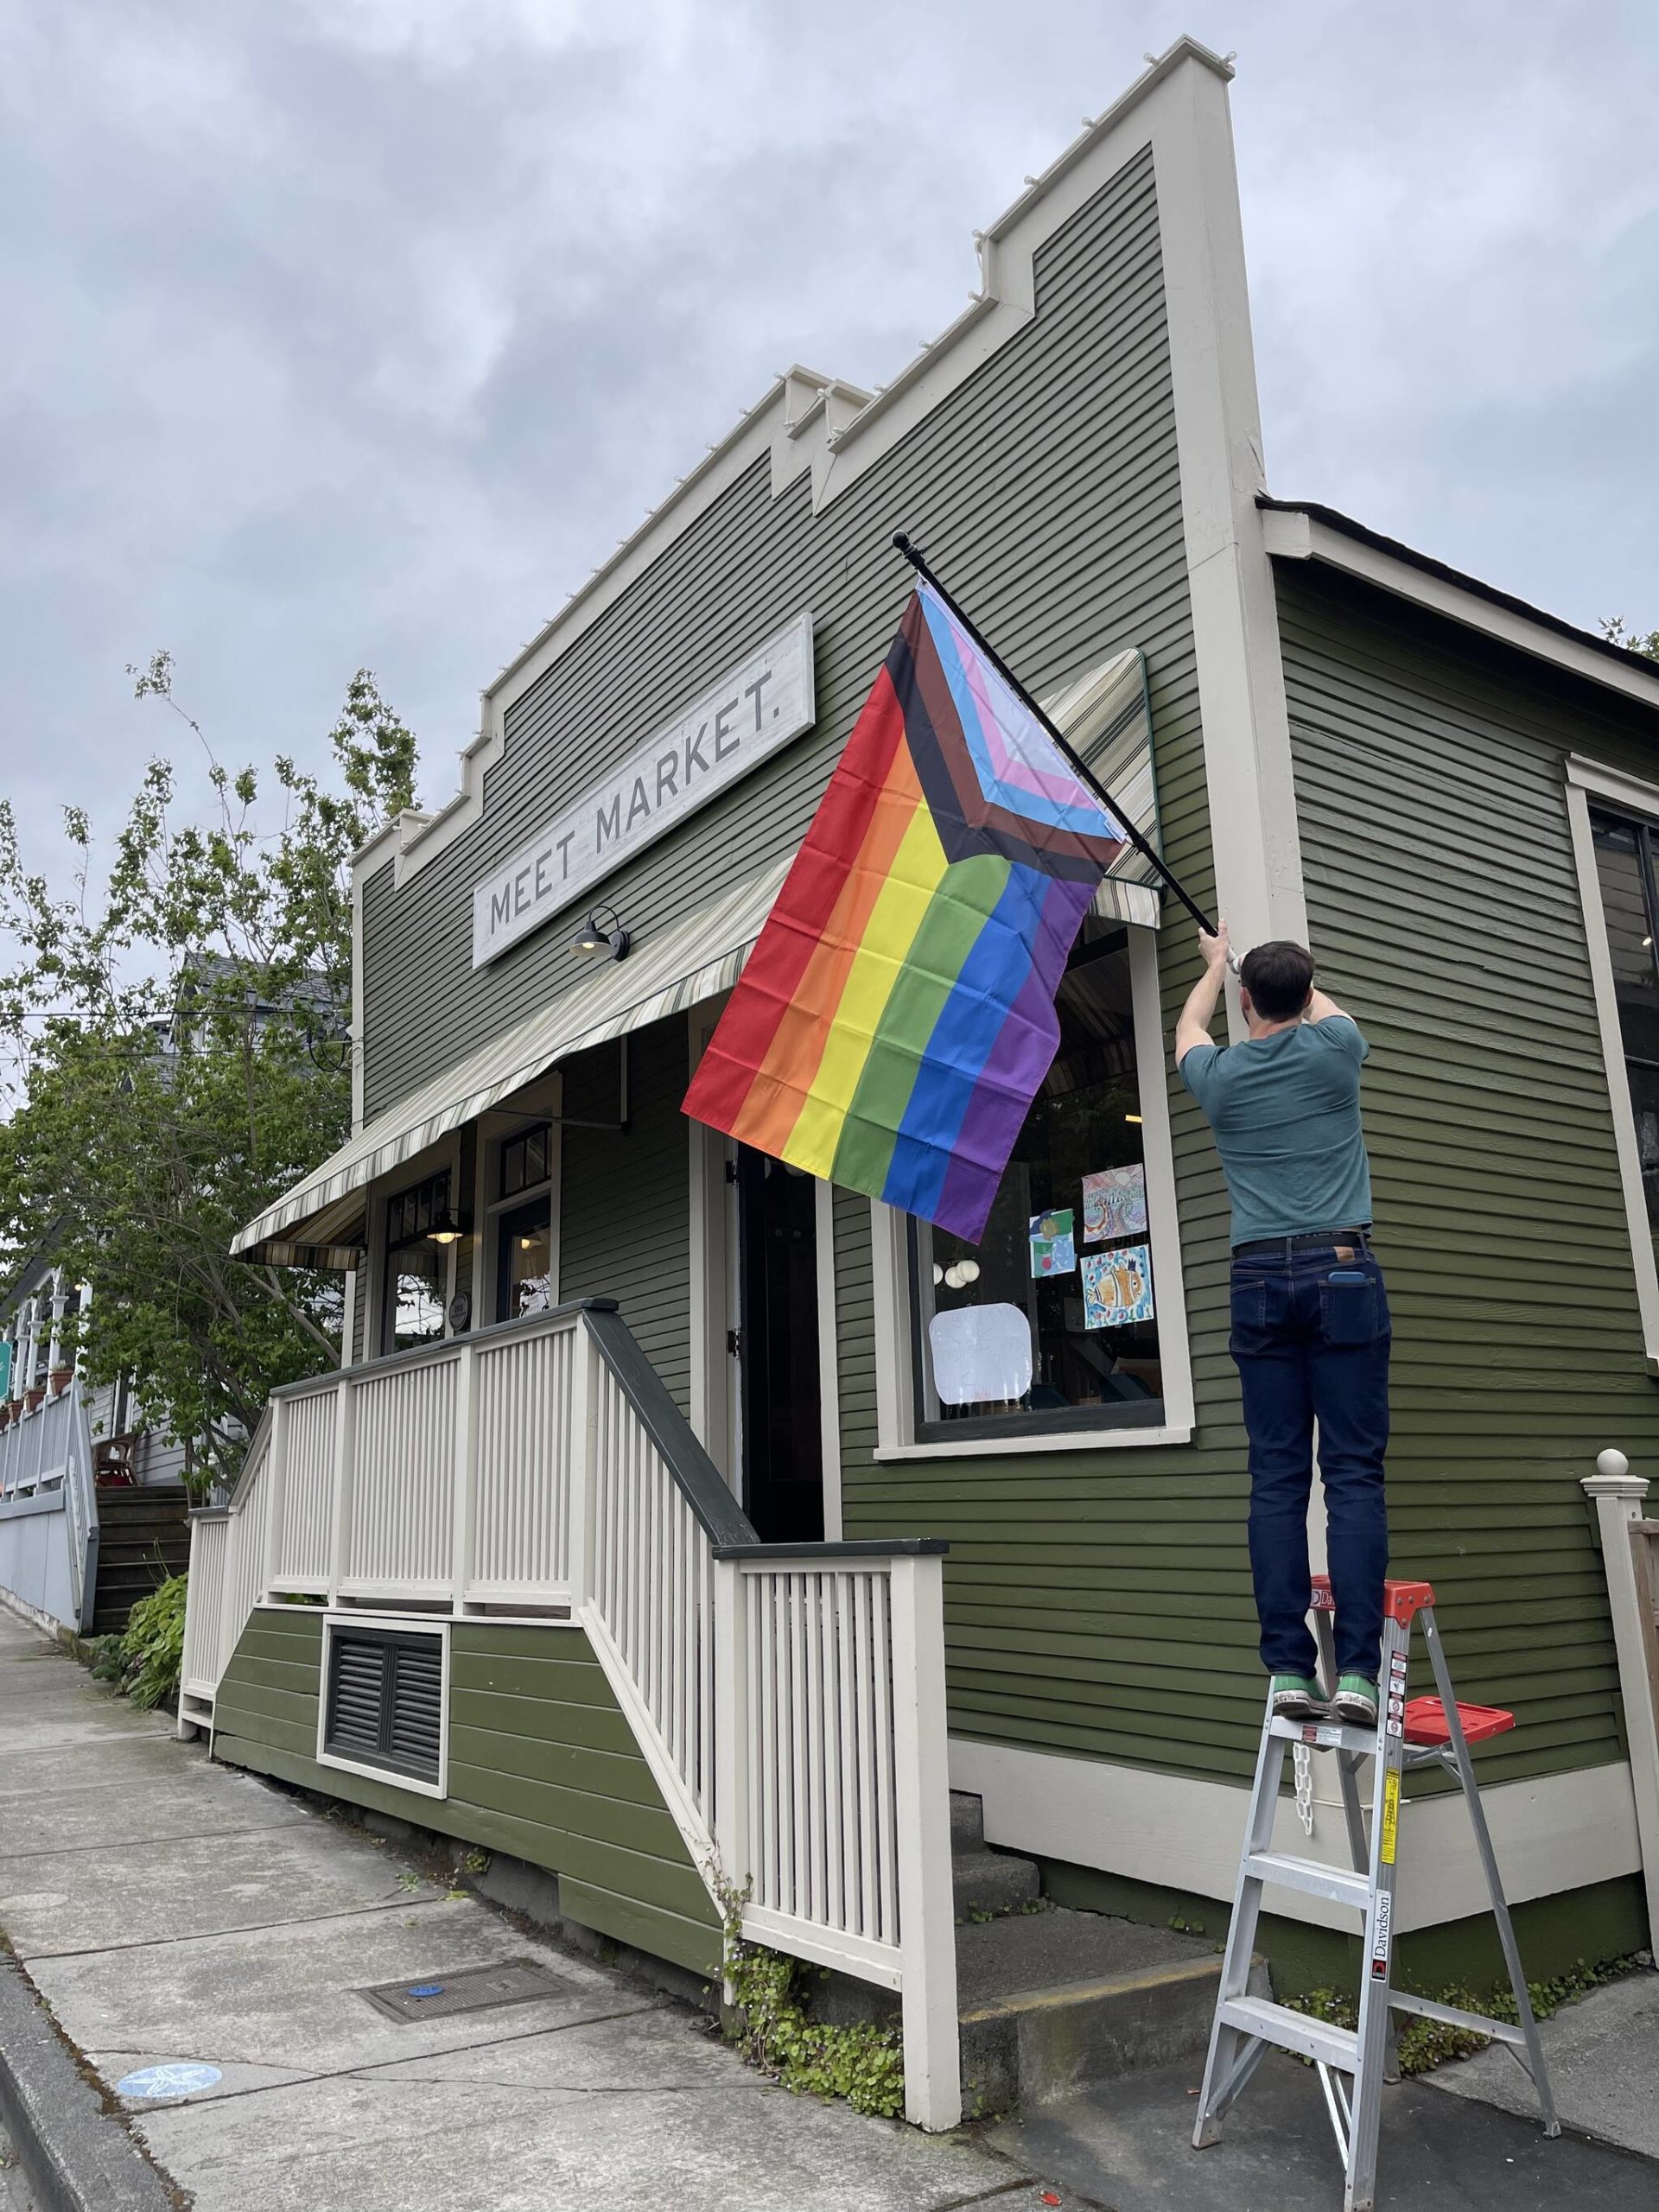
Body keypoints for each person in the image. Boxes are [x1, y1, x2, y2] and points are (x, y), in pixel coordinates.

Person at [1174, 925, 1389, 1726]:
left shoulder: (1221, 1078)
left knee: (1277, 1478)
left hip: (1260, 1276)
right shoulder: (1337, 1052)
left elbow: (1186, 1032)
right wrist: (1275, 978)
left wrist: (1211, 968)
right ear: (1306, 995)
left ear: (1244, 1001)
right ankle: (1360, 1675)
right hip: (1343, 1269)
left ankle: (1290, 1672)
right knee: (1354, 1476)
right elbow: (1331, 1014)